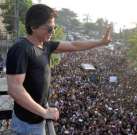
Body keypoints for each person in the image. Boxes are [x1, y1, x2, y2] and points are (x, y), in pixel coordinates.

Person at [6, 4, 112, 135]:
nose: (53, 32)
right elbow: (15, 89)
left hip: (36, 119)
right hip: (27, 125)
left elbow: (74, 45)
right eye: (50, 28)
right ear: (33, 27)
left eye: (54, 28)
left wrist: (100, 42)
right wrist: (44, 112)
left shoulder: (45, 45)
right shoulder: (21, 49)